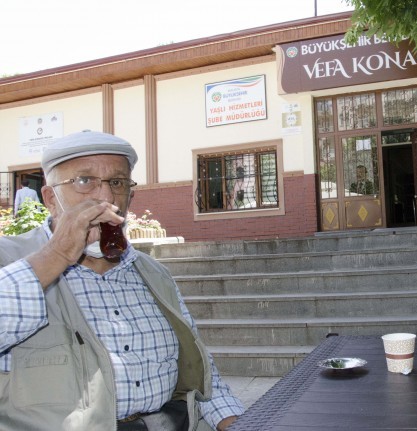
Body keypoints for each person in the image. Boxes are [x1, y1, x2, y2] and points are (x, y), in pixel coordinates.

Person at [0, 130, 244, 430]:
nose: (105, 197)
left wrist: (235, 422)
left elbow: (201, 373)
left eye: (117, 182)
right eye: (83, 180)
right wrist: (56, 255)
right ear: (51, 198)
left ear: (130, 195)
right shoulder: (9, 260)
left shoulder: (153, 273)